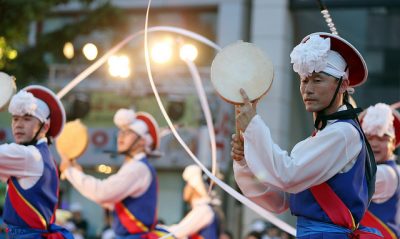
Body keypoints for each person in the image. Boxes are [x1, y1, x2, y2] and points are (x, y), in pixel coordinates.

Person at [231, 32, 383, 238]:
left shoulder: (344, 133)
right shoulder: (324, 135)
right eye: (304, 80)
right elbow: (280, 200)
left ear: (343, 85)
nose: (307, 89)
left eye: (317, 80)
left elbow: (287, 175)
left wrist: (254, 127)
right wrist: (244, 163)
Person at [60, 108, 171, 239]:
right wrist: (78, 174)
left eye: (128, 133)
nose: (121, 136)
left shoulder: (138, 168)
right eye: (121, 132)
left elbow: (102, 192)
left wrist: (70, 171)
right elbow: (113, 202)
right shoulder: (135, 166)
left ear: (142, 141)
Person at [0, 85, 73, 238]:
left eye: (27, 119)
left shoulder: (28, 157)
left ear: (45, 126)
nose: (18, 125)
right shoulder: (45, 157)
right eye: (15, 119)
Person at [359, 103, 400, 238]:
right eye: (369, 138)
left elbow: (344, 185)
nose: (375, 144)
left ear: (393, 143)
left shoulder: (386, 174)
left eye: (382, 138)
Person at [168, 165, 220, 239]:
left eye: (187, 183)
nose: (185, 188)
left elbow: (179, 232)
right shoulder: (202, 208)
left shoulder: (204, 209)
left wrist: (156, 230)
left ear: (195, 185)